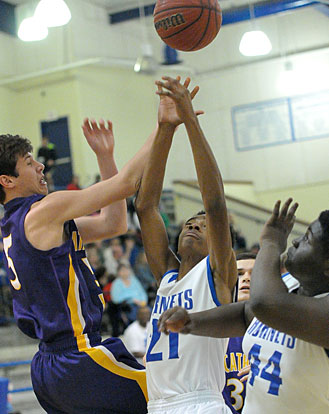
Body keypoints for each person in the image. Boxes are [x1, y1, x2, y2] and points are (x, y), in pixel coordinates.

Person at [0, 118, 159, 414]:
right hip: (77, 356)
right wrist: (163, 126)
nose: (41, 167)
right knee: (173, 395)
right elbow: (127, 183)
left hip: (52, 366)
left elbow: (114, 223)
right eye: (29, 162)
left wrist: (105, 157)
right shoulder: (42, 212)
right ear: (7, 180)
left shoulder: (20, 224)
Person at [158, 198, 329, 414]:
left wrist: (270, 243)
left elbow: (262, 304)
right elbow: (245, 315)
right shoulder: (288, 286)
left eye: (307, 239)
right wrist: (191, 322)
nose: (295, 242)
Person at [135, 76, 237, 414]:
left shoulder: (217, 273)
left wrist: (190, 120)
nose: (194, 224)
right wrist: (166, 128)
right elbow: (145, 205)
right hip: (157, 405)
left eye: (204, 226)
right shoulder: (166, 277)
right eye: (191, 223)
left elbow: (216, 204)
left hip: (201, 403)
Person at [222, 252, 256, 414]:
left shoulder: (281, 334)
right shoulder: (210, 333)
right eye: (240, 273)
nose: (247, 278)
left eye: (254, 273)